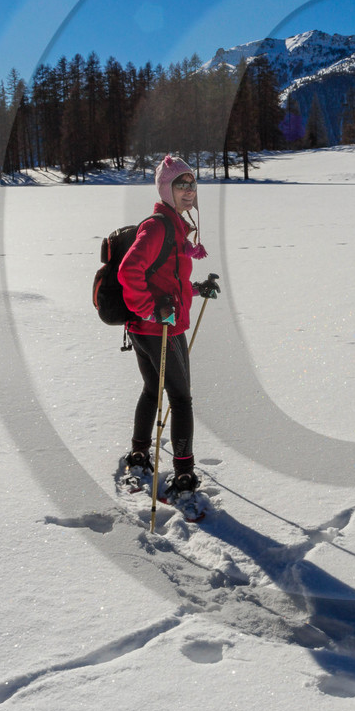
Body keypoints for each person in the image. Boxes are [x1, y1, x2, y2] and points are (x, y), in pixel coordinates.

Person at [119, 155, 216, 503]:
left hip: (144, 327)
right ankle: (184, 473)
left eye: (192, 183)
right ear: (165, 189)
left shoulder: (173, 227)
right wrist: (153, 311)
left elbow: (167, 281)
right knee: (182, 399)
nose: (189, 190)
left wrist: (195, 289)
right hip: (160, 330)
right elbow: (128, 272)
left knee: (151, 390)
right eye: (181, 184)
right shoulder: (159, 227)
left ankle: (140, 452)